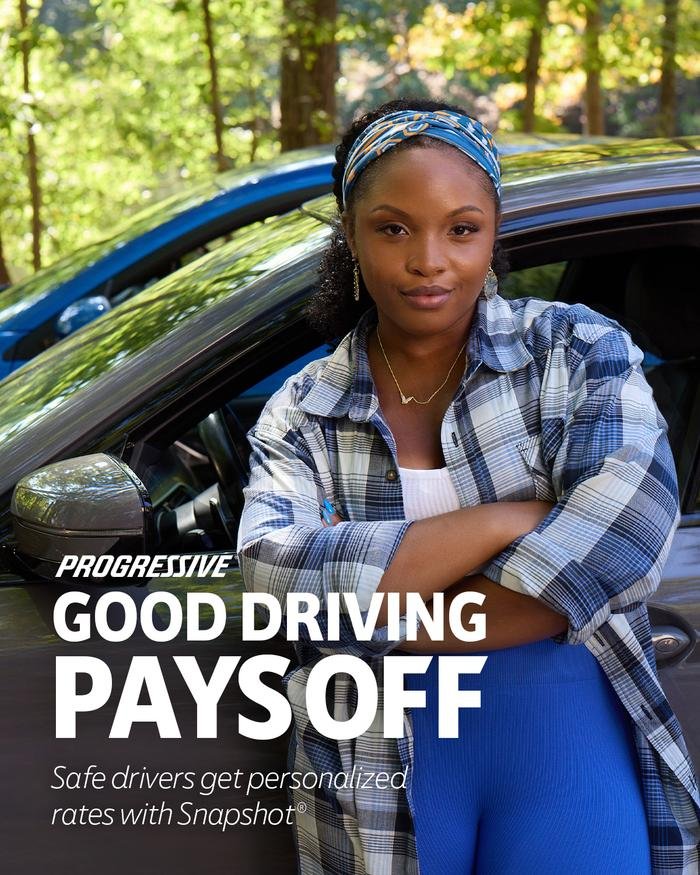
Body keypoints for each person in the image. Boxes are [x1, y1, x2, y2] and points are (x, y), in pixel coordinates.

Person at [237, 98, 700, 874]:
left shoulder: (577, 351)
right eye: (393, 228)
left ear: (492, 233)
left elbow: (623, 540)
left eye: (461, 228)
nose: (429, 260)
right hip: (380, 767)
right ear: (350, 234)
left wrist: (381, 619)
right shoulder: (302, 412)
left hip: (563, 747)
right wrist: (505, 521)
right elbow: (278, 579)